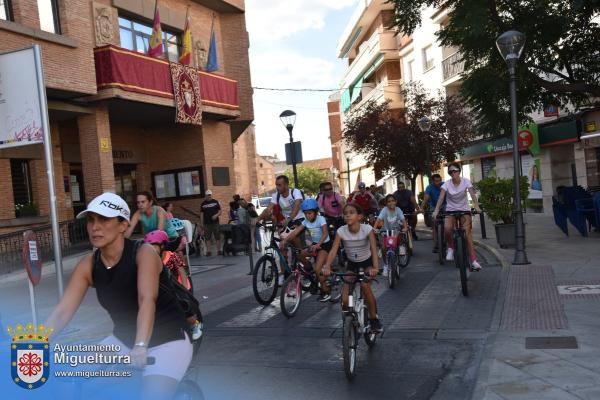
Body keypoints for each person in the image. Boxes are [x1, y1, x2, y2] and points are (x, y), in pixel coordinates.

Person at [45, 193, 193, 399]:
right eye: (91, 220)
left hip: (167, 340)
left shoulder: (144, 254)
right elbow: (62, 312)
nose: (95, 227)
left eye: (104, 219)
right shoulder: (88, 265)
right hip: (123, 340)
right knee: (71, 379)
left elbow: (146, 300)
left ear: (123, 225)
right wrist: (35, 343)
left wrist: (141, 345)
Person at [322, 203, 383, 333]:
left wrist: (375, 268)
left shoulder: (367, 229)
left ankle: (373, 319)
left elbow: (373, 248)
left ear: (359, 216)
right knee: (344, 300)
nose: (348, 215)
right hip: (352, 265)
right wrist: (327, 266)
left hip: (367, 264)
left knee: (366, 287)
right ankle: (350, 320)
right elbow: (333, 250)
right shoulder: (341, 231)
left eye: (352, 212)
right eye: (345, 213)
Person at [143, 230, 203, 341]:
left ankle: (194, 324)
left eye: (154, 246)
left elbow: (181, 271)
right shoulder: (148, 258)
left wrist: (185, 288)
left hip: (174, 284)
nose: (151, 249)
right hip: (159, 286)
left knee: (181, 302)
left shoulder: (171, 256)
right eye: (149, 246)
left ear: (163, 246)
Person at [432, 162, 483, 271]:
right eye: (450, 172)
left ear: (459, 171)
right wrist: (436, 210)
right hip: (451, 210)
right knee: (447, 228)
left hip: (464, 210)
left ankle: (473, 261)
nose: (452, 173)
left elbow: (472, 194)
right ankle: (451, 247)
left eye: (454, 171)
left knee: (467, 232)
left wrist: (477, 207)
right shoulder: (446, 184)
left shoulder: (466, 182)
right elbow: (441, 198)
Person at [280, 199, 333, 302]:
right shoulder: (305, 221)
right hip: (314, 245)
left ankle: (326, 292)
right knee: (300, 255)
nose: (308, 215)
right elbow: (295, 233)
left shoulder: (321, 219)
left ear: (315, 212)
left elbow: (325, 233)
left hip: (324, 245)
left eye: (310, 213)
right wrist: (285, 240)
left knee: (318, 269)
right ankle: (309, 271)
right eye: (306, 213)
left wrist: (318, 244)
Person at [257, 175, 305, 284]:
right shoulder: (276, 196)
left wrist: (289, 219)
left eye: (279, 185)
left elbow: (297, 206)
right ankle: (283, 274)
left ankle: (304, 264)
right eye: (276, 185)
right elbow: (268, 209)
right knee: (282, 247)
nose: (277, 187)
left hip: (299, 220)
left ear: (286, 185)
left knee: (297, 249)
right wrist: (258, 219)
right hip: (287, 222)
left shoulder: (295, 192)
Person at [374, 194, 408, 276]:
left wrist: (405, 227)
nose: (391, 203)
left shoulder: (398, 210)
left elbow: (403, 219)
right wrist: (374, 228)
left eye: (393, 201)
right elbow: (379, 219)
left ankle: (401, 247)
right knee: (383, 247)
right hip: (385, 231)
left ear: (396, 202)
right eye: (389, 201)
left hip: (396, 230)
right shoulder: (384, 210)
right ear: (386, 203)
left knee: (400, 234)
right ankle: (385, 265)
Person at [420, 174, 445, 253]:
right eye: (436, 181)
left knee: (448, 222)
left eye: (439, 181)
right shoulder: (429, 187)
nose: (438, 183)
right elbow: (426, 198)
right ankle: (436, 245)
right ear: (432, 181)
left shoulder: (445, 185)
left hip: (445, 205)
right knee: (434, 224)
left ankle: (449, 241)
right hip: (434, 206)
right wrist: (421, 208)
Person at [200, 189, 222, 256]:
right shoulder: (203, 204)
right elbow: (201, 214)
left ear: (211, 195)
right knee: (207, 238)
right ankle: (208, 251)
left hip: (215, 222)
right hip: (206, 223)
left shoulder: (215, 202)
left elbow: (220, 211)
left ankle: (219, 250)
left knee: (217, 236)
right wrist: (201, 223)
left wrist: (216, 215)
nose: (209, 196)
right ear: (205, 196)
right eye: (207, 195)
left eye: (210, 195)